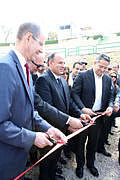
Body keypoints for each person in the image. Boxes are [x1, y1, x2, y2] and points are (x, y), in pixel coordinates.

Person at [0, 22, 67, 180]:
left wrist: (48, 129)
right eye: (41, 44)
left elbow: (30, 112)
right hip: (6, 160)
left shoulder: (24, 69)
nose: (42, 50)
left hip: (18, 156)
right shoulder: (5, 67)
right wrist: (33, 138)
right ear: (28, 38)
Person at [35, 52, 91, 180]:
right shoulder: (43, 80)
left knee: (55, 157)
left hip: (62, 128)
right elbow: (47, 110)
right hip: (51, 129)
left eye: (64, 63)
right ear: (50, 63)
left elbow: (69, 103)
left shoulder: (62, 80)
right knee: (47, 159)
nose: (63, 66)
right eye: (60, 62)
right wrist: (68, 123)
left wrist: (80, 114)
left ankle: (52, 175)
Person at [71, 54, 113, 178]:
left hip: (98, 117)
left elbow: (111, 96)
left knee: (93, 143)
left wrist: (110, 106)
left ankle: (91, 164)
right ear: (95, 63)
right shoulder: (83, 75)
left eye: (106, 68)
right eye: (101, 66)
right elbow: (74, 94)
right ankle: (79, 166)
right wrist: (83, 109)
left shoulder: (108, 79)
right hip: (84, 117)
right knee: (80, 143)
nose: (103, 70)